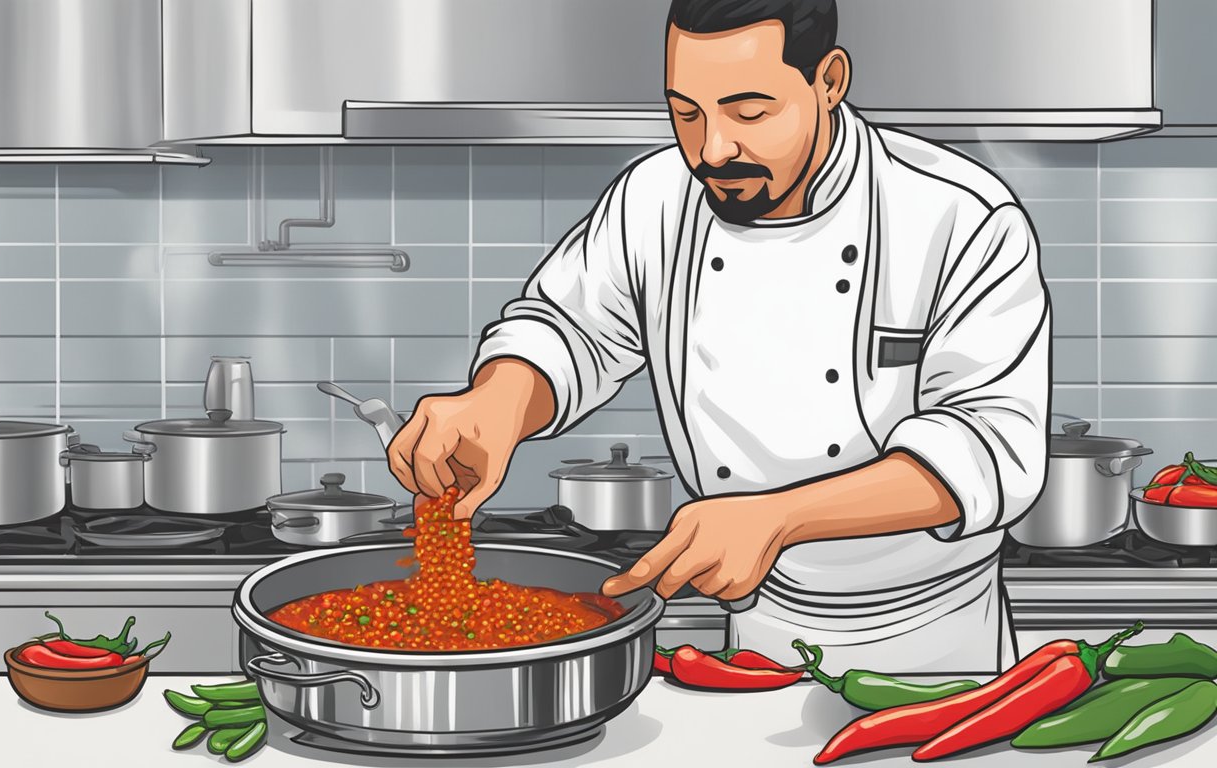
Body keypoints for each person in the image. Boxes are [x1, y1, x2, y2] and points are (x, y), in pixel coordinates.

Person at [386, 0, 1049, 674]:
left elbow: (990, 447)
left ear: (830, 80)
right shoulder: (654, 199)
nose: (712, 150)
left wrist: (777, 518)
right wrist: (496, 405)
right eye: (686, 113)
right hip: (759, 622)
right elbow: (567, 327)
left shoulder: (959, 215)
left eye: (749, 112)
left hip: (936, 640)